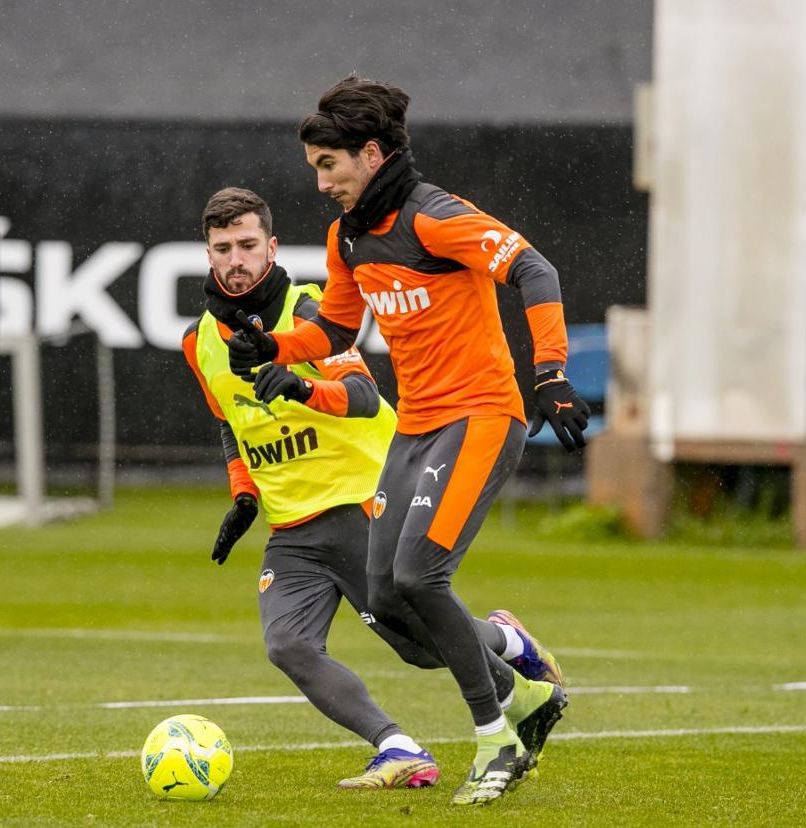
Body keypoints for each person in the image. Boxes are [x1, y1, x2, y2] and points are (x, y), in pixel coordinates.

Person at [227, 76, 586, 805]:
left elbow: (534, 268)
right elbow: (332, 329)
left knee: (421, 578)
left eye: (329, 166)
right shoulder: (348, 237)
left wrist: (549, 374)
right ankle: (523, 691)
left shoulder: (434, 217)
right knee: (389, 596)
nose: (321, 182)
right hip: (416, 427)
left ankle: (497, 739)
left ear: (368, 153)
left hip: (482, 416)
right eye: (314, 169)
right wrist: (274, 346)